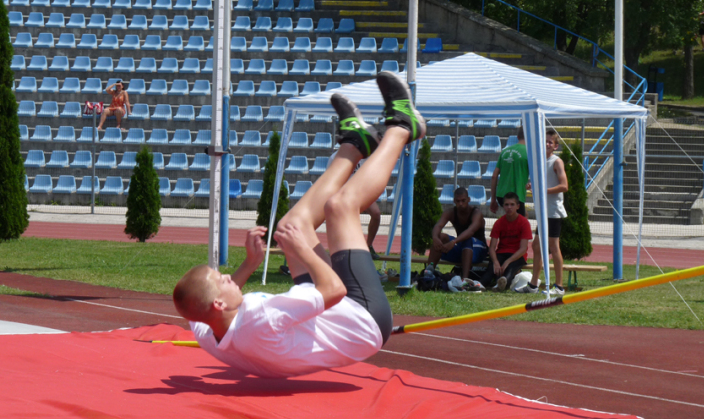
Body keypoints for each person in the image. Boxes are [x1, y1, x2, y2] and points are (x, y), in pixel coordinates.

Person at [172, 71, 426, 378]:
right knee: (340, 207)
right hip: (363, 318)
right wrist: (304, 250)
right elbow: (334, 289)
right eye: (223, 279)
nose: (229, 277)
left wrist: (251, 264)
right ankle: (402, 128)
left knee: (289, 224)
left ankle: (355, 144)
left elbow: (208, 303)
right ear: (217, 303)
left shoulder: (207, 330)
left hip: (329, 310)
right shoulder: (259, 319)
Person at [515, 129, 569, 295]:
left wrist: (544, 190)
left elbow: (564, 186)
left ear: (555, 146)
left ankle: (559, 286)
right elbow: (541, 182)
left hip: (553, 211)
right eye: (544, 141)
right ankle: (533, 285)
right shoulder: (539, 162)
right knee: (537, 245)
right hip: (543, 211)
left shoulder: (556, 162)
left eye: (550, 142)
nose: (547, 144)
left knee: (553, 246)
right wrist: (532, 185)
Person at [327, 149, 383, 260]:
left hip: (361, 191)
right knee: (348, 221)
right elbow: (330, 180)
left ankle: (368, 246)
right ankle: (341, 250)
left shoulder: (365, 155)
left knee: (376, 214)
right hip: (343, 194)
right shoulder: (336, 157)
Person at [429, 187, 487, 280]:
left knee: (467, 238)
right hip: (463, 247)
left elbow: (470, 231)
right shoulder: (450, 212)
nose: (460, 204)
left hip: (479, 250)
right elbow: (438, 226)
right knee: (440, 236)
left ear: (468, 200)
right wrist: (435, 238)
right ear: (454, 201)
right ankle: (429, 272)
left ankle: (464, 279)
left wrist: (453, 242)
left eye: (463, 200)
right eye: (458, 201)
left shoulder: (476, 213)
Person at [481, 192, 533, 292]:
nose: (509, 207)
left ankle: (501, 285)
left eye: (512, 204)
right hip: (501, 253)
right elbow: (492, 248)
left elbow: (523, 249)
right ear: (503, 206)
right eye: (506, 204)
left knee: (509, 269)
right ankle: (479, 285)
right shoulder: (499, 222)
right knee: (491, 269)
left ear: (518, 206)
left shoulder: (524, 222)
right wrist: (496, 262)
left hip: (517, 255)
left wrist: (508, 261)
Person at [490, 126, 529, 216]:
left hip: (501, 195)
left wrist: (493, 199)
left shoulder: (505, 151)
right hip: (516, 196)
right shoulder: (529, 152)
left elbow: (494, 176)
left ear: (518, 137)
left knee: (522, 216)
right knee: (519, 223)